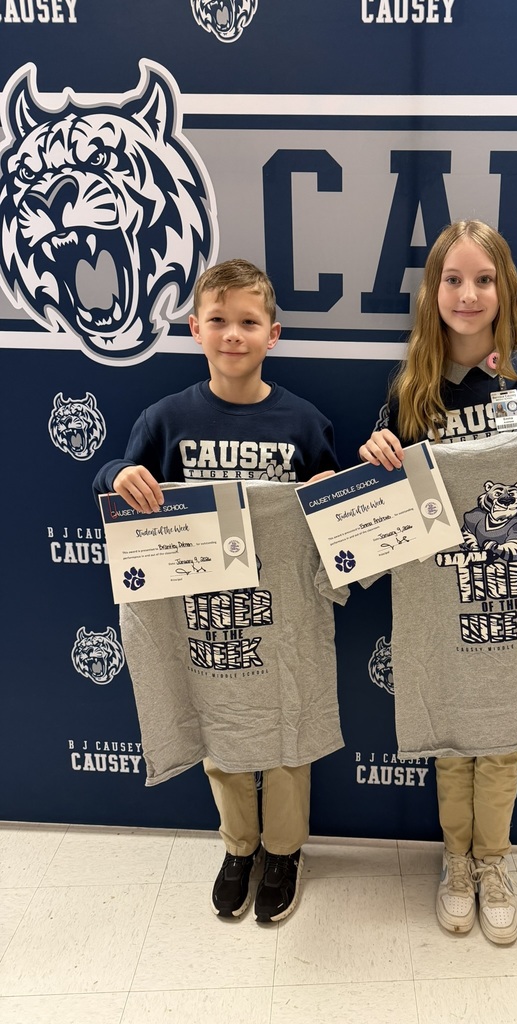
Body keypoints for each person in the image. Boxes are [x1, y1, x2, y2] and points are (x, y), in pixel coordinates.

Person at [359, 220, 517, 945]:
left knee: (501, 743)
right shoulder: (412, 387)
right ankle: (455, 863)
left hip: (516, 598)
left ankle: (493, 862)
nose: (468, 295)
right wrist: (378, 448)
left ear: (505, 290)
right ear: (432, 291)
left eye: (484, 279)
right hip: (443, 601)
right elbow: (380, 508)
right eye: (453, 279)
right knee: (452, 737)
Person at [93, 259, 338, 924]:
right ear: (195, 329)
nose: (234, 334)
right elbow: (111, 479)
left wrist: (330, 501)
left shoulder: (304, 422)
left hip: (282, 615)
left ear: (273, 333)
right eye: (221, 321)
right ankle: (240, 847)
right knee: (222, 731)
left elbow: (335, 515)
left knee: (286, 733)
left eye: (249, 322)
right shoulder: (166, 418)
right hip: (201, 617)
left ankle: (285, 851)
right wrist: (119, 475)